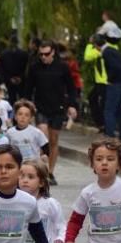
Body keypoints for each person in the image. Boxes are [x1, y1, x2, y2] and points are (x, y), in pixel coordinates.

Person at [26, 40, 78, 186]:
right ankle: (42, 170)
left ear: (53, 52)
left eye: (46, 54)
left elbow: (71, 88)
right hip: (40, 108)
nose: (43, 57)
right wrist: (27, 105)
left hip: (58, 108)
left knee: (54, 140)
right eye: (41, 54)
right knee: (43, 138)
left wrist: (72, 105)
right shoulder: (35, 67)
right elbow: (28, 88)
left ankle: (50, 172)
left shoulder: (62, 67)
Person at [101, 31, 121, 145]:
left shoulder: (106, 52)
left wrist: (110, 79)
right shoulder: (114, 51)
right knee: (118, 111)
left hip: (114, 84)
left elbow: (114, 67)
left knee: (109, 111)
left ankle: (110, 138)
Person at [84, 32, 109, 131]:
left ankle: (104, 125)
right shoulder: (102, 49)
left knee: (103, 104)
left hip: (105, 82)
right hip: (100, 81)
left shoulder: (101, 50)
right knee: (93, 99)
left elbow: (87, 56)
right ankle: (101, 123)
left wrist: (90, 44)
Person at [0, 34, 29, 104]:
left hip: (9, 81)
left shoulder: (3, 54)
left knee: (11, 98)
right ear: (17, 42)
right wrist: (21, 77)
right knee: (22, 98)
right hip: (21, 81)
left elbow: (1, 69)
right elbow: (26, 68)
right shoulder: (24, 54)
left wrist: (9, 78)